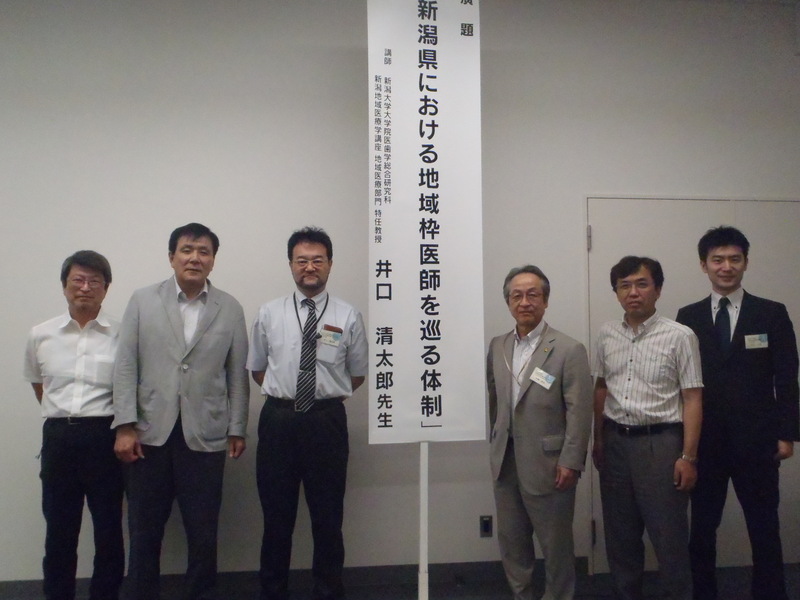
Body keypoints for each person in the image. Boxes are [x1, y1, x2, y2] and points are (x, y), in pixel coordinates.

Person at [112, 223, 249, 600]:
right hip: (147, 434)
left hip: (206, 435)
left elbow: (237, 374)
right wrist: (124, 425)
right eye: (187, 250)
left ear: (213, 260)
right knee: (144, 531)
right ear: (171, 256)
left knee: (203, 532)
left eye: (204, 251)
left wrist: (237, 427)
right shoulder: (143, 300)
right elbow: (125, 365)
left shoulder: (229, 307)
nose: (195, 258)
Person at [676, 226, 799, 600]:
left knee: (764, 529)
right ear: (704, 265)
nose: (726, 267)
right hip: (706, 444)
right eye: (718, 260)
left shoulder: (771, 313)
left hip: (758, 442)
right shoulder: (688, 317)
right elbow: (682, 384)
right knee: (702, 531)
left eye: (734, 259)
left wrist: (787, 434)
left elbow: (787, 378)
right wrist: (684, 445)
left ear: (746, 262)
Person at [248, 226, 368, 600]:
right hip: (279, 422)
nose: (310, 267)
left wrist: (320, 398)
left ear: (330, 263)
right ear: (290, 264)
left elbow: (357, 373)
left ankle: (328, 592)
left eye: (317, 260)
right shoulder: (269, 313)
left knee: (328, 518)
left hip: (326, 422)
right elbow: (257, 368)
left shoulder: (348, 315)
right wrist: (289, 396)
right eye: (302, 260)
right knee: (276, 518)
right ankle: (273, 592)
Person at [592, 256, 702, 600]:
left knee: (669, 537)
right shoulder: (606, 334)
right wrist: (598, 439)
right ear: (616, 292)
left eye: (642, 284)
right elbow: (601, 387)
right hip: (615, 443)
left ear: (658, 289)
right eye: (624, 286)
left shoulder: (680, 336)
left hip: (661, 445)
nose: (633, 293)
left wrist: (689, 457)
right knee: (620, 536)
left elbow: (693, 397)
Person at [487, 265, 593, 600]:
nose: (525, 302)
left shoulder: (568, 349)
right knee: (512, 542)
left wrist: (571, 460)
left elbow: (580, 411)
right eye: (516, 295)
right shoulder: (498, 346)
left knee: (556, 545)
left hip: (550, 464)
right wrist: (495, 444)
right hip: (506, 462)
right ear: (508, 302)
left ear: (545, 300)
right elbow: (495, 402)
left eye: (533, 294)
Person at [23, 250, 124, 600]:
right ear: (64, 285)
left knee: (108, 529)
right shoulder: (41, 334)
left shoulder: (122, 334)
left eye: (95, 281)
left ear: (106, 288)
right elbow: (40, 386)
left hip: (104, 437)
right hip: (59, 438)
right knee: (59, 530)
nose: (85, 287)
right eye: (78, 280)